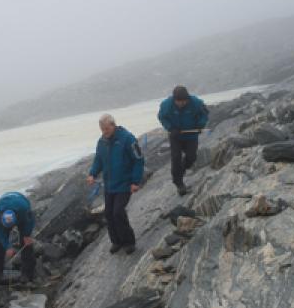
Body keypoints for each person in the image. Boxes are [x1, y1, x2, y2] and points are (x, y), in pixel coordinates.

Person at [87, 114, 144, 254]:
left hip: (125, 183)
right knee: (108, 213)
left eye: (106, 129)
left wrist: (135, 181)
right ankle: (116, 241)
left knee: (118, 212)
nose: (104, 132)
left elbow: (138, 160)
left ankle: (129, 242)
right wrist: (92, 173)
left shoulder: (127, 138)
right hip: (109, 184)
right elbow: (98, 160)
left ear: (113, 125)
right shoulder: (101, 142)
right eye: (102, 129)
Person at [158, 86, 209, 195]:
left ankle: (181, 170)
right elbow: (162, 117)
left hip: (191, 135)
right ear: (174, 99)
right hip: (175, 136)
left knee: (191, 157)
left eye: (184, 101)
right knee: (175, 158)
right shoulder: (166, 105)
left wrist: (200, 125)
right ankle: (179, 183)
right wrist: (170, 128)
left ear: (187, 98)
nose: (181, 104)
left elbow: (204, 114)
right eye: (178, 102)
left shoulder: (196, 103)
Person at [0, 191, 36, 282]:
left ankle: (27, 274)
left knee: (26, 243)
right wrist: (7, 247)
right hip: (6, 200)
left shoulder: (24, 211)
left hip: (21, 201)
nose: (10, 229)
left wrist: (27, 235)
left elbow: (31, 221)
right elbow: (0, 233)